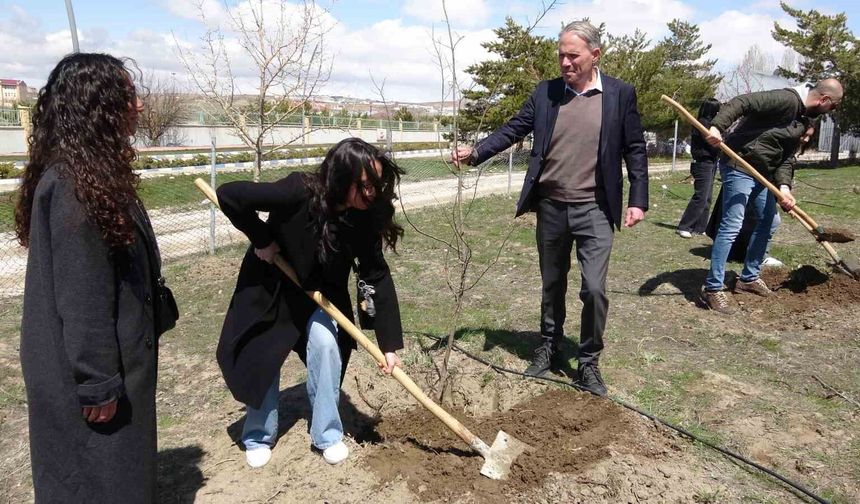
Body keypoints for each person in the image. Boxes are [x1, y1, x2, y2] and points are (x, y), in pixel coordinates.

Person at [452, 20, 648, 396]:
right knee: (552, 283)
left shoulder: (620, 94)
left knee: (594, 289)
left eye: (573, 55)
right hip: (551, 207)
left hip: (595, 208)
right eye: (561, 55)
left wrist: (638, 199)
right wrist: (475, 152)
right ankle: (549, 346)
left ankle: (588, 362)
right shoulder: (547, 93)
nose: (565, 62)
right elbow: (514, 129)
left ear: (595, 54)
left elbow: (635, 148)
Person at [15, 53, 170, 502]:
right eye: (129, 95)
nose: (139, 105)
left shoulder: (90, 173)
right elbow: (81, 293)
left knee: (114, 470)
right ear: (98, 106)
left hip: (111, 361)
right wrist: (97, 381)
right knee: (98, 476)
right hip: (88, 372)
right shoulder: (72, 186)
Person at [216, 138, 405, 468]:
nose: (371, 193)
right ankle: (258, 435)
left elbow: (375, 275)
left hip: (319, 296)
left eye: (375, 185)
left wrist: (388, 345)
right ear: (341, 178)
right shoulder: (299, 190)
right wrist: (262, 238)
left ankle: (327, 434)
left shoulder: (363, 216)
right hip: (274, 286)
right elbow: (230, 194)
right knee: (263, 354)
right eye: (363, 185)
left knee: (327, 345)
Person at [700, 78, 842, 314]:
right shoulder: (786, 100)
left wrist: (784, 187)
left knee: (770, 220)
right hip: (740, 163)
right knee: (733, 223)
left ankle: (749, 278)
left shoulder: (803, 119)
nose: (831, 111)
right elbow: (743, 102)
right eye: (833, 106)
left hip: (763, 172)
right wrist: (717, 127)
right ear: (824, 99)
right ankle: (713, 287)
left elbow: (785, 157)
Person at [677, 98, 721, 238]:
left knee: (707, 198)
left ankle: (700, 227)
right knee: (701, 196)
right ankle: (684, 226)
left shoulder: (713, 125)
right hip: (702, 163)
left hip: (711, 162)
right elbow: (711, 143)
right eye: (717, 110)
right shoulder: (702, 123)